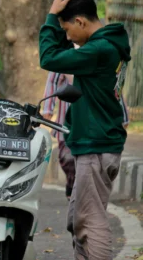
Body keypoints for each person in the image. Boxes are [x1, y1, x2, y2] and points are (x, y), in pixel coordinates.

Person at [39, 0, 131, 260]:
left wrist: (51, 15)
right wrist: (59, 25)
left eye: (67, 29)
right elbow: (64, 53)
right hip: (95, 144)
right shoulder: (106, 45)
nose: (66, 36)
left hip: (96, 146)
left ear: (79, 21)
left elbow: (49, 57)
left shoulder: (99, 49)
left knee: (92, 223)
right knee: (77, 221)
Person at [42, 68, 130, 201]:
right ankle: (73, 184)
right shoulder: (65, 55)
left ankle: (84, 193)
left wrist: (123, 116)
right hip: (68, 121)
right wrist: (48, 108)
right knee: (68, 158)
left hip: (92, 123)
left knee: (91, 161)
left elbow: (114, 88)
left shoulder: (100, 54)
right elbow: (52, 80)